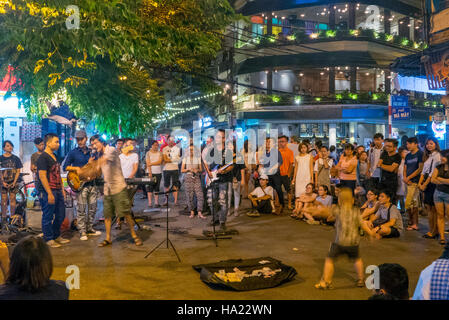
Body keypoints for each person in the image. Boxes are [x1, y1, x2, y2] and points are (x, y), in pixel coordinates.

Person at [90, 135, 142, 247]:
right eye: (92, 144)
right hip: (108, 188)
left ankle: (134, 235)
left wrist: (90, 165)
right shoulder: (100, 154)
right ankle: (108, 238)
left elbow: (102, 162)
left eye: (95, 143)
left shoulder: (111, 150)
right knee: (107, 214)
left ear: (102, 142)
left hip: (118, 187)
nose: (94, 146)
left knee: (126, 213)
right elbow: (98, 171)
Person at [315, 188, 369, 290]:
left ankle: (326, 282)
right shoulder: (356, 211)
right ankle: (361, 279)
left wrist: (314, 210)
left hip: (340, 241)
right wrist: (371, 233)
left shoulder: (338, 210)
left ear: (339, 200)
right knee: (357, 260)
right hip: (353, 242)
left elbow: (326, 214)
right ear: (352, 200)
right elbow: (362, 224)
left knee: (329, 260)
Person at [0, 236, 69, 300]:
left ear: (15, 264)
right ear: (48, 263)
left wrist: (5, 261)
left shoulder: (4, 294)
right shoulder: (62, 289)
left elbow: (9, 290)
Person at [63, 130, 101, 241]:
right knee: (81, 209)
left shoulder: (92, 152)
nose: (80, 141)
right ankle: (82, 231)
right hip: (80, 185)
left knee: (93, 208)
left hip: (92, 183)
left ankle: (90, 228)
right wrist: (76, 168)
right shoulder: (73, 152)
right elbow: (65, 167)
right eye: (78, 139)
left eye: (82, 139)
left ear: (86, 138)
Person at [37, 134, 70, 248]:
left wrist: (62, 189)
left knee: (61, 214)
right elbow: (42, 176)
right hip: (47, 191)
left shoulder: (55, 156)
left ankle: (56, 236)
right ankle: (48, 238)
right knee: (48, 215)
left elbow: (57, 174)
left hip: (58, 190)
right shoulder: (43, 157)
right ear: (48, 143)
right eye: (56, 142)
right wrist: (49, 193)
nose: (58, 144)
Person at [204, 129, 234, 231]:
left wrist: (224, 171)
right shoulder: (212, 150)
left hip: (224, 180)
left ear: (224, 139)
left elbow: (231, 166)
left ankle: (222, 222)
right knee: (211, 201)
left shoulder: (228, 151)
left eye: (219, 137)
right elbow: (207, 164)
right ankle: (215, 218)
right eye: (216, 136)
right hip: (213, 180)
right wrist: (209, 173)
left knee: (222, 201)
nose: (217, 139)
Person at [419, 138, 441, 240]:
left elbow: (432, 173)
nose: (429, 145)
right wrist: (420, 182)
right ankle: (432, 230)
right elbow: (424, 171)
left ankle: (433, 231)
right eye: (427, 144)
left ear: (436, 144)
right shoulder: (428, 156)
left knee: (433, 210)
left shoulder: (437, 156)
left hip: (432, 184)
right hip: (426, 183)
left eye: (431, 143)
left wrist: (425, 184)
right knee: (429, 209)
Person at [403, 137, 424, 231]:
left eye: (409, 144)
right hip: (407, 182)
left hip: (415, 182)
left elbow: (420, 169)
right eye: (407, 144)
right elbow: (405, 167)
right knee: (412, 203)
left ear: (415, 144)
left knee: (408, 203)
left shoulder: (420, 154)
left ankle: (413, 222)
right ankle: (413, 223)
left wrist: (409, 177)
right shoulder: (408, 155)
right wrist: (404, 178)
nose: (408, 146)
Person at [258, 138, 283, 213]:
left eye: (269, 142)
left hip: (275, 173)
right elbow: (261, 163)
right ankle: (271, 206)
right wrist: (260, 168)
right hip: (267, 174)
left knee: (278, 189)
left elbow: (280, 162)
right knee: (270, 189)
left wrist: (273, 168)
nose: (268, 143)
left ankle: (281, 204)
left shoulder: (276, 152)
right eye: (266, 142)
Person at [0, 140, 23, 223]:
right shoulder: (1, 158)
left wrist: (14, 182)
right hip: (3, 182)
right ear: (3, 148)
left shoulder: (16, 158)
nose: (10, 147)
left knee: (13, 199)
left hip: (13, 182)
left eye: (11, 145)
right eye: (7, 146)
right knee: (3, 200)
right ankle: (3, 218)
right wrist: (2, 182)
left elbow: (18, 171)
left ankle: (12, 217)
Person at [181, 144, 205, 219]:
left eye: (192, 150)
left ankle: (199, 212)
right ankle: (192, 212)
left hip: (196, 177)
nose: (191, 151)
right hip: (188, 177)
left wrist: (197, 170)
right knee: (189, 196)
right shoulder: (185, 159)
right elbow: (182, 170)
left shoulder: (198, 159)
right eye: (189, 150)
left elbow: (201, 169)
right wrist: (188, 169)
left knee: (200, 195)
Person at [431, 149, 449, 245]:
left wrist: (440, 179)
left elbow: (436, 179)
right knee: (440, 215)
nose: (442, 158)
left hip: (448, 194)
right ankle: (442, 237)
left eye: (444, 156)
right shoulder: (438, 166)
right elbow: (432, 180)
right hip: (438, 193)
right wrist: (445, 181)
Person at [378, 138, 402, 204]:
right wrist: (385, 166)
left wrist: (381, 166)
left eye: (390, 146)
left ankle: (392, 214)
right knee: (382, 200)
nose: (387, 148)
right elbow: (378, 164)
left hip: (392, 182)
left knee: (391, 201)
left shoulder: (397, 156)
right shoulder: (384, 154)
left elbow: (391, 169)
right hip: (382, 180)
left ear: (395, 147)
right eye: (386, 146)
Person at [162, 136, 181, 205]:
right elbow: (165, 159)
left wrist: (169, 160)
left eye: (172, 140)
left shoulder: (177, 149)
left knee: (175, 185)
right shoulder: (164, 149)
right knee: (166, 185)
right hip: (166, 169)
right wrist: (173, 159)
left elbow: (178, 160)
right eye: (169, 140)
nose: (171, 142)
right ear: (167, 141)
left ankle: (176, 201)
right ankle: (166, 200)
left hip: (175, 169)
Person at [278, 136, 294, 210]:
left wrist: (289, 174)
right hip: (278, 174)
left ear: (287, 142)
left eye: (283, 141)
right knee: (277, 190)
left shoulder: (290, 152)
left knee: (288, 190)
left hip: (286, 174)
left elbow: (291, 164)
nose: (281, 143)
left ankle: (289, 204)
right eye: (280, 141)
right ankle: (277, 203)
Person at [145, 140, 163, 208]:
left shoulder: (160, 153)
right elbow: (147, 163)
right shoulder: (148, 153)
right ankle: (150, 203)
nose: (156, 146)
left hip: (158, 172)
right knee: (149, 188)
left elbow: (159, 161)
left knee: (157, 188)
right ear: (151, 145)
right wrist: (150, 173)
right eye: (154, 145)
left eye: (157, 145)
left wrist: (151, 163)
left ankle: (156, 202)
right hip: (149, 172)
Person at [397, 147, 408, 214]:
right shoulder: (399, 161)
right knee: (400, 195)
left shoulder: (407, 161)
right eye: (405, 152)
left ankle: (406, 209)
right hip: (399, 180)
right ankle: (402, 209)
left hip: (406, 180)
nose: (406, 154)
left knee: (406, 195)